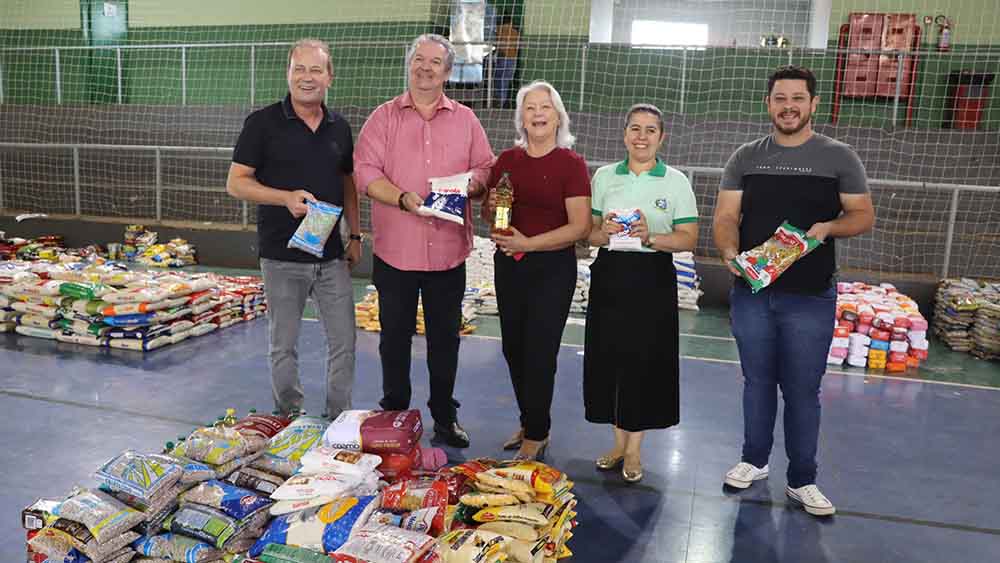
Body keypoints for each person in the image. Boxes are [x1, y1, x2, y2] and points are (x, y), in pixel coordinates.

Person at [713, 65, 875, 516]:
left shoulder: (839, 156)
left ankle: (803, 479)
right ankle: (754, 460)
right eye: (780, 98)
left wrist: (828, 228)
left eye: (797, 98)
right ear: (768, 104)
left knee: (803, 390)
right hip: (753, 292)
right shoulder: (745, 156)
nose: (788, 106)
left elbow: (863, 215)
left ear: (813, 104)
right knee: (757, 383)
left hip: (810, 296)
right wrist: (729, 253)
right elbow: (726, 216)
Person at [354, 34, 495, 448]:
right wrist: (400, 197)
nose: (426, 67)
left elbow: (485, 167)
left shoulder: (467, 119)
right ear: (409, 64)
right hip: (396, 253)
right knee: (393, 339)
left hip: (449, 255)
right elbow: (364, 172)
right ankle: (395, 413)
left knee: (445, 341)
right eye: (419, 59)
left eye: (435, 62)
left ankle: (445, 418)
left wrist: (471, 186)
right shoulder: (382, 118)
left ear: (448, 72)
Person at [226, 38, 361, 418]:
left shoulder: (340, 128)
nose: (306, 77)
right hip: (281, 257)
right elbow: (236, 183)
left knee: (344, 343)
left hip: (332, 257)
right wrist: (284, 197)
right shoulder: (262, 124)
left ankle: (339, 418)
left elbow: (348, 183)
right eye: (299, 68)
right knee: (283, 345)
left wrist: (355, 234)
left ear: (329, 77)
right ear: (288, 74)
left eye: (316, 69)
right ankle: (288, 417)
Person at [584, 103, 699, 483]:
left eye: (650, 130)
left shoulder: (676, 181)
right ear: (624, 134)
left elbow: (688, 238)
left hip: (652, 278)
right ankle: (617, 443)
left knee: (644, 361)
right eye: (635, 128)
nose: (642, 136)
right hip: (609, 276)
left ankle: (634, 449)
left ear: (661, 137)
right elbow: (590, 233)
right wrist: (608, 231)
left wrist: (651, 237)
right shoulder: (603, 177)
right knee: (610, 358)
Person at [486, 80, 592, 461]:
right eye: (530, 108)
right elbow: (494, 212)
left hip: (552, 269)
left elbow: (579, 226)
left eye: (544, 107)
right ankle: (530, 419)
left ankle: (538, 432)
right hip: (509, 265)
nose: (537, 114)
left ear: (558, 115)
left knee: (540, 352)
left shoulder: (571, 164)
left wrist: (528, 243)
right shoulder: (508, 161)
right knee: (513, 349)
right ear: (521, 118)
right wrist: (499, 219)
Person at [493, 16, 520, 107]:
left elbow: (495, 43)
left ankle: (497, 101)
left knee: (498, 80)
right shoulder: (515, 32)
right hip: (512, 58)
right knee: (506, 81)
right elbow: (516, 47)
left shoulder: (498, 30)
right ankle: (502, 102)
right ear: (511, 22)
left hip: (502, 57)